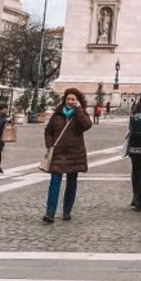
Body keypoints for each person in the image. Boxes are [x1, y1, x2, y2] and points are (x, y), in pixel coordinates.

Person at [42, 88, 92, 224]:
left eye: (73, 99)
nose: (70, 101)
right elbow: (48, 131)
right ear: (64, 99)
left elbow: (87, 125)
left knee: (71, 184)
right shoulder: (58, 113)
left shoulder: (80, 114)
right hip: (58, 154)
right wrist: (50, 145)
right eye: (68, 99)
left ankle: (67, 211)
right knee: (54, 183)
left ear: (77, 101)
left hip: (75, 154)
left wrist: (79, 110)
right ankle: (50, 213)